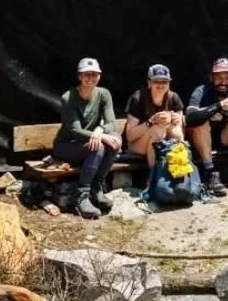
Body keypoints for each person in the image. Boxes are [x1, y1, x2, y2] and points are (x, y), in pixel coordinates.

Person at [53, 57, 122, 219]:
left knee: (115, 140)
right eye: (86, 74)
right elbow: (75, 130)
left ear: (99, 76)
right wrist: (100, 135)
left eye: (94, 74)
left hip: (91, 144)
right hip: (67, 146)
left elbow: (111, 122)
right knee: (99, 146)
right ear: (79, 76)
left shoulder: (104, 94)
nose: (90, 78)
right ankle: (81, 196)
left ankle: (96, 188)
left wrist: (100, 130)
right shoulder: (68, 97)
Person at [186, 58, 228, 195]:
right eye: (218, 77)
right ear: (211, 77)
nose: (223, 81)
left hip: (226, 138)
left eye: (227, 77)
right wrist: (217, 107)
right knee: (200, 123)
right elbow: (190, 118)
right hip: (203, 141)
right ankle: (210, 173)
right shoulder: (201, 91)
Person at [123, 64, 186, 169]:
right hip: (137, 144)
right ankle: (153, 176)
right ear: (149, 83)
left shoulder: (174, 98)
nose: (161, 85)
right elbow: (130, 136)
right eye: (157, 81)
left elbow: (181, 131)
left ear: (169, 83)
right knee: (157, 129)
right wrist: (151, 121)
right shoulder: (138, 98)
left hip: (165, 142)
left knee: (175, 131)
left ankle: (180, 171)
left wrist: (177, 120)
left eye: (164, 82)